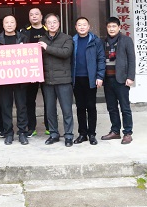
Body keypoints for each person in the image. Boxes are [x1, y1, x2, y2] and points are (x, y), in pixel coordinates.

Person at [0, 14, 30, 145]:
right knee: (5, 107)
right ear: (3, 25)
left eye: (12, 22)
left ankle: (22, 132)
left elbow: (30, 57)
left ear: (16, 24)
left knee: (22, 106)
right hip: (3, 80)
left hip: (20, 79)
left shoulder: (23, 38)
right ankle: (8, 133)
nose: (9, 25)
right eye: (7, 22)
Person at [37, 13, 74, 147]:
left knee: (66, 110)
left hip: (63, 80)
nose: (52, 25)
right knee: (50, 110)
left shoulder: (67, 38)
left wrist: (47, 48)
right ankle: (54, 134)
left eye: (54, 22)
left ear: (59, 24)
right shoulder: (42, 39)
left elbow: (65, 53)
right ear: (45, 25)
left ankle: (68, 135)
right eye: (49, 22)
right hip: (48, 80)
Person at [101, 16, 136, 145]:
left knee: (125, 107)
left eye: (114, 26)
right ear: (106, 28)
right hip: (107, 79)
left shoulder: (126, 40)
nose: (111, 29)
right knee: (111, 107)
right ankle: (115, 131)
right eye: (109, 26)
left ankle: (127, 133)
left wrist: (130, 77)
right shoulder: (103, 41)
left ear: (119, 27)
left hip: (121, 79)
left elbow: (132, 59)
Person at [71, 17, 105, 146]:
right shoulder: (72, 41)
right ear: (76, 27)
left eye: (84, 25)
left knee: (91, 106)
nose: (82, 27)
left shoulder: (96, 41)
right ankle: (82, 134)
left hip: (91, 78)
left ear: (89, 26)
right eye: (79, 25)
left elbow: (101, 59)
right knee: (80, 107)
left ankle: (92, 134)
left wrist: (100, 76)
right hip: (76, 78)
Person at [19, 7, 49, 136]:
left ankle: (50, 126)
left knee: (49, 99)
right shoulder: (24, 32)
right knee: (29, 100)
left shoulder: (48, 30)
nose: (34, 16)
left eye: (37, 14)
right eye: (31, 14)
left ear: (41, 16)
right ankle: (31, 127)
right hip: (31, 70)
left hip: (47, 69)